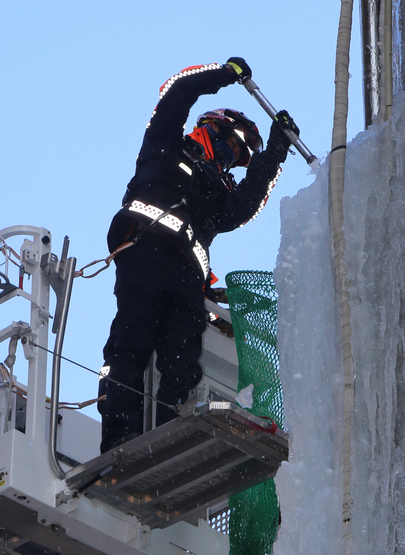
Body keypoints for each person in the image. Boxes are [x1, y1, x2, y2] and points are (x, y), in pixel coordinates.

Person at [99, 57, 299, 453]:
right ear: (211, 130)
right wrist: (224, 76)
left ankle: (165, 438)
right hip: (145, 253)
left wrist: (276, 150)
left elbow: (243, 205)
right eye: (228, 144)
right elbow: (177, 94)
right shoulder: (165, 146)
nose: (227, 157)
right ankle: (120, 436)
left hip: (187, 279)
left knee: (181, 362)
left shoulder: (216, 196)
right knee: (132, 342)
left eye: (236, 156)